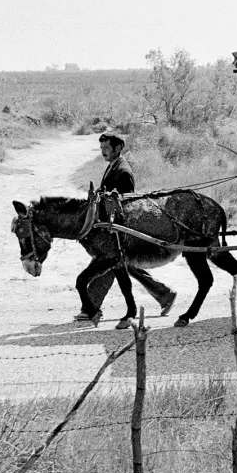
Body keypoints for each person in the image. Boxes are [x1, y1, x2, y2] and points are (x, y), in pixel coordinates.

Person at [73, 133, 177, 328]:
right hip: (112, 228)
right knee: (124, 265)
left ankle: (91, 306)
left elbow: (126, 203)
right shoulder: (113, 166)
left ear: (118, 148)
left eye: (106, 148)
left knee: (108, 263)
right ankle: (164, 294)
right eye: (101, 148)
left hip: (121, 229)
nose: (103, 152)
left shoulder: (123, 171)